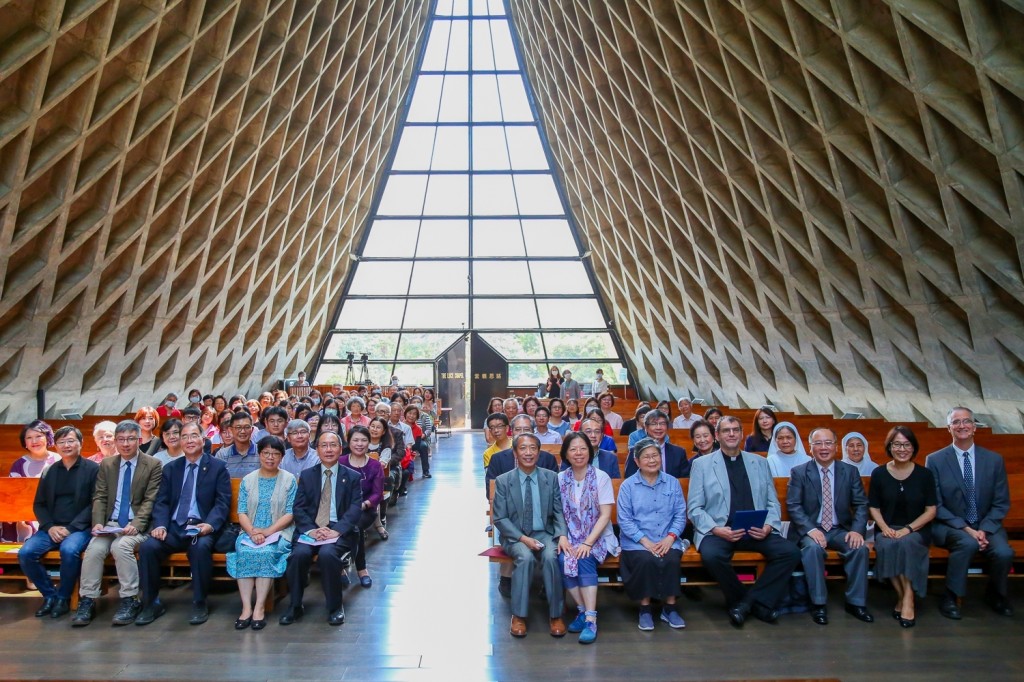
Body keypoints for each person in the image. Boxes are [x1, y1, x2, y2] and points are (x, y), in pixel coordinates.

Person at [687, 416, 800, 627]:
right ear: (717, 436)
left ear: (741, 433)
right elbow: (694, 508)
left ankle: (745, 604)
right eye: (726, 430)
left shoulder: (759, 462)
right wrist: (717, 529)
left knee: (790, 552)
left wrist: (768, 526)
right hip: (720, 530)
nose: (731, 434)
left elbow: (772, 502)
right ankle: (754, 604)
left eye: (736, 430)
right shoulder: (702, 465)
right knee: (712, 556)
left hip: (756, 530)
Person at [136, 421, 232, 626]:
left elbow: (222, 503)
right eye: (185, 436)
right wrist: (160, 525)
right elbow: (161, 501)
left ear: (203, 439)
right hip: (174, 527)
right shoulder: (171, 468)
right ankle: (150, 602)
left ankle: (199, 601)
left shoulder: (218, 467)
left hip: (201, 527)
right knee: (148, 547)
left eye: (194, 436)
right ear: (179, 441)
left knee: (200, 548)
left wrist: (210, 525)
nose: (189, 440)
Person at [72, 420, 163, 627]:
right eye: (121, 439)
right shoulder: (107, 464)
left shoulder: (153, 464)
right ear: (115, 441)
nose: (126, 444)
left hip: (137, 524)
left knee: (121, 546)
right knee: (94, 549)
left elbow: (151, 499)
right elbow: (100, 496)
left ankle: (130, 599)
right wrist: (97, 523)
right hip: (111, 523)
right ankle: (87, 599)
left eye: (131, 439)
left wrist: (138, 523)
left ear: (139, 440)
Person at [927, 406, 1014, 619]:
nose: (962, 426)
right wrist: (966, 529)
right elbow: (935, 504)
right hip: (950, 525)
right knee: (967, 543)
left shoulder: (993, 460)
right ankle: (950, 596)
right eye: (956, 422)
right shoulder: (935, 460)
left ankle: (996, 594)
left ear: (974, 427)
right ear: (949, 428)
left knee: (1004, 552)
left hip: (986, 525)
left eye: (966, 421)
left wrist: (983, 529)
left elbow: (1001, 502)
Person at [786, 427, 873, 625]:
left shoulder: (850, 472)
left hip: (839, 529)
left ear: (835, 446)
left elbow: (860, 504)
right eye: (818, 443)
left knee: (859, 548)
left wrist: (857, 531)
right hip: (812, 528)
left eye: (828, 443)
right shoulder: (800, 472)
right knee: (812, 548)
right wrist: (811, 529)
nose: (823, 448)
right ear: (810, 448)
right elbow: (794, 505)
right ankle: (818, 603)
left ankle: (856, 602)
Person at [280, 430, 362, 626]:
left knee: (327, 555)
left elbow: (355, 508)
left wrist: (337, 530)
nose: (328, 449)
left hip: (337, 529)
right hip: (312, 529)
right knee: (298, 555)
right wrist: (311, 530)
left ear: (340, 449)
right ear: (317, 450)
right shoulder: (308, 475)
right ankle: (295, 605)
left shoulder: (352, 476)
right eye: (323, 445)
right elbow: (298, 507)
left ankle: (335, 606)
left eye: (333, 445)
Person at [492, 433, 569, 638]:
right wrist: (523, 539)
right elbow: (500, 518)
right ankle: (518, 615)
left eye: (533, 448)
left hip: (544, 532)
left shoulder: (550, 477)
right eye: (523, 448)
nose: (528, 453)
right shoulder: (503, 481)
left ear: (538, 451)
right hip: (515, 536)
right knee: (524, 558)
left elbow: (559, 510)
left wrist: (561, 534)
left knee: (552, 557)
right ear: (515, 453)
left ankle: (555, 615)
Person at [18, 426, 98, 619]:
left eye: (71, 441)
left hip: (79, 528)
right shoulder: (50, 471)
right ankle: (49, 595)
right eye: (61, 442)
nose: (66, 445)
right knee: (26, 553)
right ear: (56, 445)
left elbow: (95, 503)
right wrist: (50, 526)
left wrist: (70, 528)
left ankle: (63, 597)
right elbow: (39, 504)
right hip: (52, 527)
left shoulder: (93, 469)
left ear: (80, 443)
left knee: (69, 550)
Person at [617, 438, 688, 631]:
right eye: (646, 457)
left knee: (672, 558)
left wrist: (670, 537)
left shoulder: (672, 483)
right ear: (637, 461)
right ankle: (645, 608)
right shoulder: (628, 486)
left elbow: (680, 515)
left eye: (655, 455)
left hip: (667, 538)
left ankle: (670, 607)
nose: (651, 460)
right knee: (645, 559)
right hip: (637, 541)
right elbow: (625, 520)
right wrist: (646, 542)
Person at [869, 426, 937, 628]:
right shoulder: (879, 473)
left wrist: (907, 529)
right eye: (897, 444)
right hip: (887, 528)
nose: (902, 449)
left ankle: (907, 599)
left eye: (906, 444)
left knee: (907, 544)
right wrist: (885, 528)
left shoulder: (925, 475)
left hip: (916, 529)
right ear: (890, 447)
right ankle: (904, 596)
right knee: (888, 546)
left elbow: (931, 510)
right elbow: (873, 506)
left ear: (913, 447)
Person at [228, 435, 296, 630]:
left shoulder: (289, 480)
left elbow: (290, 513)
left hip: (278, 531)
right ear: (259, 455)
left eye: (275, 454)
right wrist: (251, 532)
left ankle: (259, 608)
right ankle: (246, 608)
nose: (270, 457)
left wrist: (266, 532)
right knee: (246, 551)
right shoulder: (248, 480)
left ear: (282, 457)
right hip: (250, 532)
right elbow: (242, 511)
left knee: (266, 553)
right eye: (266, 453)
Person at [557, 433, 619, 643]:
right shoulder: (560, 478)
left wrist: (587, 542)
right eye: (573, 449)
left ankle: (591, 619)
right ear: (565, 453)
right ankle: (582, 610)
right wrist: (563, 537)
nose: (578, 453)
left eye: (583, 448)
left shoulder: (601, 477)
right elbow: (558, 514)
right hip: (571, 536)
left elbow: (605, 515)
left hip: (597, 535)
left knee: (584, 558)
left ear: (590, 451)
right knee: (563, 559)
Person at [339, 425, 384, 589]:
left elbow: (377, 494)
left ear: (369, 442)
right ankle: (339, 566)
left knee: (355, 527)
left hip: (365, 509)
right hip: (341, 509)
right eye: (355, 440)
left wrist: (364, 504)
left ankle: (361, 569)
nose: (359, 444)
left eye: (364, 440)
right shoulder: (340, 461)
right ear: (348, 442)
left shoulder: (374, 465)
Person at [3, 420, 59, 542]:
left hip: (56, 515)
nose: (34, 441)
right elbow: (13, 496)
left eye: (38, 436)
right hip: (26, 516)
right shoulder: (19, 465)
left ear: (47, 438)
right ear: (25, 443)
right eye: (29, 438)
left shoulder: (59, 460)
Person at [623, 410, 690, 478]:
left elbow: (684, 481)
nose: (658, 427)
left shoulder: (679, 453)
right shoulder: (635, 451)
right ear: (646, 427)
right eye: (654, 424)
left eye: (662, 424)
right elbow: (629, 479)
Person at [216, 411, 259, 477]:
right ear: (231, 430)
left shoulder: (261, 452)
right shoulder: (222, 454)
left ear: (252, 429)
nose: (242, 431)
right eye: (238, 427)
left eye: (247, 427)